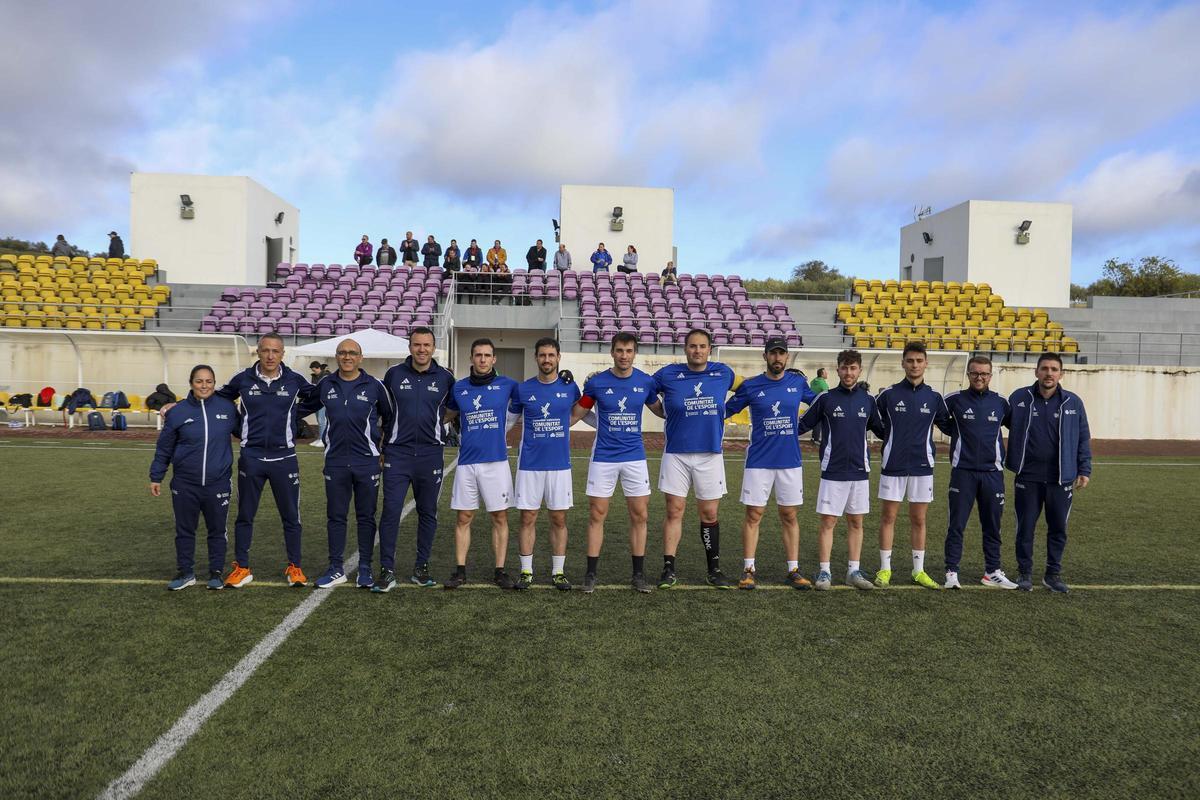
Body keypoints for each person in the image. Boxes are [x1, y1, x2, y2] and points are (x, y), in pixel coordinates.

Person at [213, 332, 318, 588]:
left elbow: (317, 398)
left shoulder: (294, 380)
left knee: (291, 516)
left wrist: (293, 417)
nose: (270, 356)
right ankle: (242, 567)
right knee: (245, 515)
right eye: (265, 350)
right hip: (252, 457)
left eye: (275, 351)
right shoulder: (243, 379)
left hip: (285, 458)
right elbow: (218, 398)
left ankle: (295, 567)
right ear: (258, 352)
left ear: (282, 354)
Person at [571, 332, 663, 593]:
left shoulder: (645, 383)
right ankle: (590, 575)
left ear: (635, 353)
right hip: (603, 458)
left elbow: (661, 410)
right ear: (612, 352)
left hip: (635, 458)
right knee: (597, 515)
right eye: (620, 350)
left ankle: (638, 575)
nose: (624, 355)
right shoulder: (598, 383)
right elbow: (578, 413)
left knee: (640, 515)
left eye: (629, 350)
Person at [724, 337, 818, 589]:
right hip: (759, 462)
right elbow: (725, 410)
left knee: (789, 515)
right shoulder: (752, 386)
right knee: (754, 514)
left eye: (782, 354)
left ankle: (793, 569)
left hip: (790, 461)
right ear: (765, 356)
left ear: (787, 357)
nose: (777, 358)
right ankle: (748, 569)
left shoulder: (797, 382)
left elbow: (820, 404)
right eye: (773, 354)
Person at [649, 329, 739, 588]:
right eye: (692, 346)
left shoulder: (723, 372)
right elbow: (642, 388)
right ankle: (668, 568)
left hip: (710, 454)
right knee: (674, 511)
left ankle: (714, 569)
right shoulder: (668, 374)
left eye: (702, 346)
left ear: (709, 349)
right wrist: (660, 409)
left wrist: (726, 410)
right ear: (685, 348)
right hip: (676, 454)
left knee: (709, 513)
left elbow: (748, 389)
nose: (697, 350)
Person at [795, 349, 884, 590]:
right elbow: (802, 425)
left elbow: (881, 430)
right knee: (828, 522)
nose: (848, 372)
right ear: (838, 370)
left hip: (859, 470)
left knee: (856, 522)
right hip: (832, 470)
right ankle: (824, 572)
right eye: (844, 368)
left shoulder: (868, 400)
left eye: (853, 368)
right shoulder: (825, 398)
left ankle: (853, 571)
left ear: (859, 370)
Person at [375, 326, 456, 591]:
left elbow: (453, 409)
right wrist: (381, 445)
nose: (422, 350)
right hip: (397, 453)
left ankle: (421, 568)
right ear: (410, 347)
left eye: (427, 345)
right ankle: (387, 569)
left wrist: (435, 424)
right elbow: (384, 413)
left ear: (434, 347)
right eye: (417, 345)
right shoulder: (394, 374)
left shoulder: (446, 377)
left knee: (428, 512)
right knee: (391, 511)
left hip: (431, 455)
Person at [1005, 352, 1091, 593]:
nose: (1049, 373)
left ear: (1061, 374)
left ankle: (1052, 574)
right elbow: (997, 423)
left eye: (1054, 369)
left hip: (1060, 478)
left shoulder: (1073, 402)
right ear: (1036, 372)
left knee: (1058, 528)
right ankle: (1025, 573)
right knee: (1025, 527)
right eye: (1044, 368)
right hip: (1027, 476)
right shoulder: (1020, 398)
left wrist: (1084, 469)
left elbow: (1083, 436)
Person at [310, 338, 393, 590]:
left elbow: (390, 418)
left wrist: (383, 449)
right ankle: (336, 568)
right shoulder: (325, 384)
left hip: (366, 461)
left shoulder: (375, 386)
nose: (347, 357)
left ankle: (365, 568)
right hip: (335, 461)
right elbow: (301, 406)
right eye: (342, 353)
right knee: (335, 516)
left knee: (366, 516)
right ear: (336, 356)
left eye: (352, 353)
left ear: (360, 357)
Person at [442, 338, 522, 589]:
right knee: (464, 517)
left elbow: (532, 395)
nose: (483, 359)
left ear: (494, 359)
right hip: (467, 462)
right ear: (471, 358)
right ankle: (460, 571)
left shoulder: (508, 384)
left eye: (487, 355)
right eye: (478, 355)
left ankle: (499, 570)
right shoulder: (459, 388)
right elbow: (446, 414)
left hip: (496, 462)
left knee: (499, 517)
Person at [150, 365, 239, 591]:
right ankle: (186, 572)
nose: (204, 386)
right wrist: (156, 476)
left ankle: (216, 573)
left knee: (217, 530)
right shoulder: (178, 412)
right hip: (185, 483)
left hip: (217, 482)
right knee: (185, 530)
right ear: (191, 383)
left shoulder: (227, 408)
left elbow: (247, 431)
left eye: (209, 381)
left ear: (214, 383)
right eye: (199, 381)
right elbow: (164, 448)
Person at [872, 341, 951, 590]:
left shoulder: (935, 398)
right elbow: (873, 420)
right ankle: (885, 568)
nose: (914, 365)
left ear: (926, 363)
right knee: (888, 517)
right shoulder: (889, 394)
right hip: (893, 465)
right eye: (910, 360)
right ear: (903, 363)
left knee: (919, 519)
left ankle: (918, 570)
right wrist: (887, 441)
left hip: (922, 466)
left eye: (919, 361)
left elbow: (949, 425)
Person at [936, 355, 1017, 590]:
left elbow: (1014, 424)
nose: (979, 377)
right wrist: (957, 432)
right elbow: (940, 418)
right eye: (974, 373)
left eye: (984, 373)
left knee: (992, 525)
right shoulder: (954, 399)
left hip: (993, 473)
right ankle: (951, 571)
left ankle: (992, 571)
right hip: (963, 472)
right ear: (968, 375)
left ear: (990, 376)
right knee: (957, 524)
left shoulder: (1001, 403)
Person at [512, 337, 580, 590]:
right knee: (527, 517)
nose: (547, 360)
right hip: (529, 465)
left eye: (551, 355)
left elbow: (578, 413)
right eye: (542, 355)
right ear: (536, 358)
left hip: (560, 465)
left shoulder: (570, 388)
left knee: (559, 519)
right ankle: (526, 571)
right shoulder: (523, 389)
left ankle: (558, 572)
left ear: (559, 357)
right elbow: (509, 421)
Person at [308, 360, 331, 448]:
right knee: (318, 419)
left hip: (323, 401)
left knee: (322, 420)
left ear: (318, 368)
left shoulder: (326, 375)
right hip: (316, 400)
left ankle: (322, 439)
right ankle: (319, 438)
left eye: (314, 370)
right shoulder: (314, 376)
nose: (313, 372)